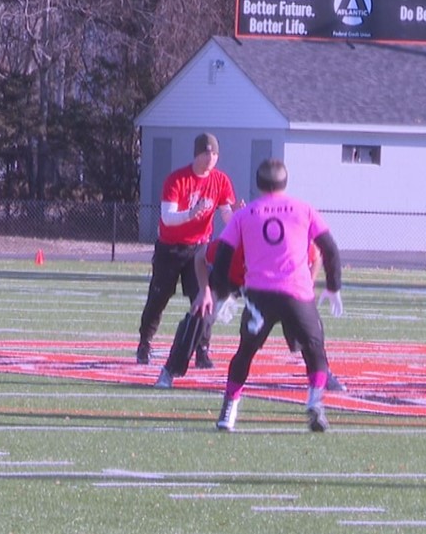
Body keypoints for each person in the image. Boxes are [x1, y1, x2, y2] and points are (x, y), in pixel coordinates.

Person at [210, 159, 342, 433]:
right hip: (297, 294)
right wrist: (333, 286)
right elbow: (330, 249)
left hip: (259, 297)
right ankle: (315, 402)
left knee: (245, 352)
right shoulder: (304, 209)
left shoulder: (244, 215)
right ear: (285, 182)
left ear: (258, 184)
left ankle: (229, 410)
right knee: (315, 350)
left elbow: (223, 255)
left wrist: (226, 293)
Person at [154, 239, 345, 391]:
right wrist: (204, 292)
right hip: (229, 279)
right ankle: (170, 369)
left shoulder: (288, 245)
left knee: (303, 318)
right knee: (200, 311)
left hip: (269, 287)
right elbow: (200, 258)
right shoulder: (236, 243)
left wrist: (308, 285)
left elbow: (316, 256)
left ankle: (322, 371)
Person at [136, 132, 238, 366]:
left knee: (203, 297)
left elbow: (226, 214)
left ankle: (202, 349)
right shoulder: (177, 179)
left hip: (198, 250)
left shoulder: (220, 180)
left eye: (215, 153)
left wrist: (239, 217)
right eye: (207, 152)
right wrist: (191, 214)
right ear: (197, 154)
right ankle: (144, 343)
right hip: (170, 249)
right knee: (158, 297)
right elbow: (168, 218)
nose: (211, 158)